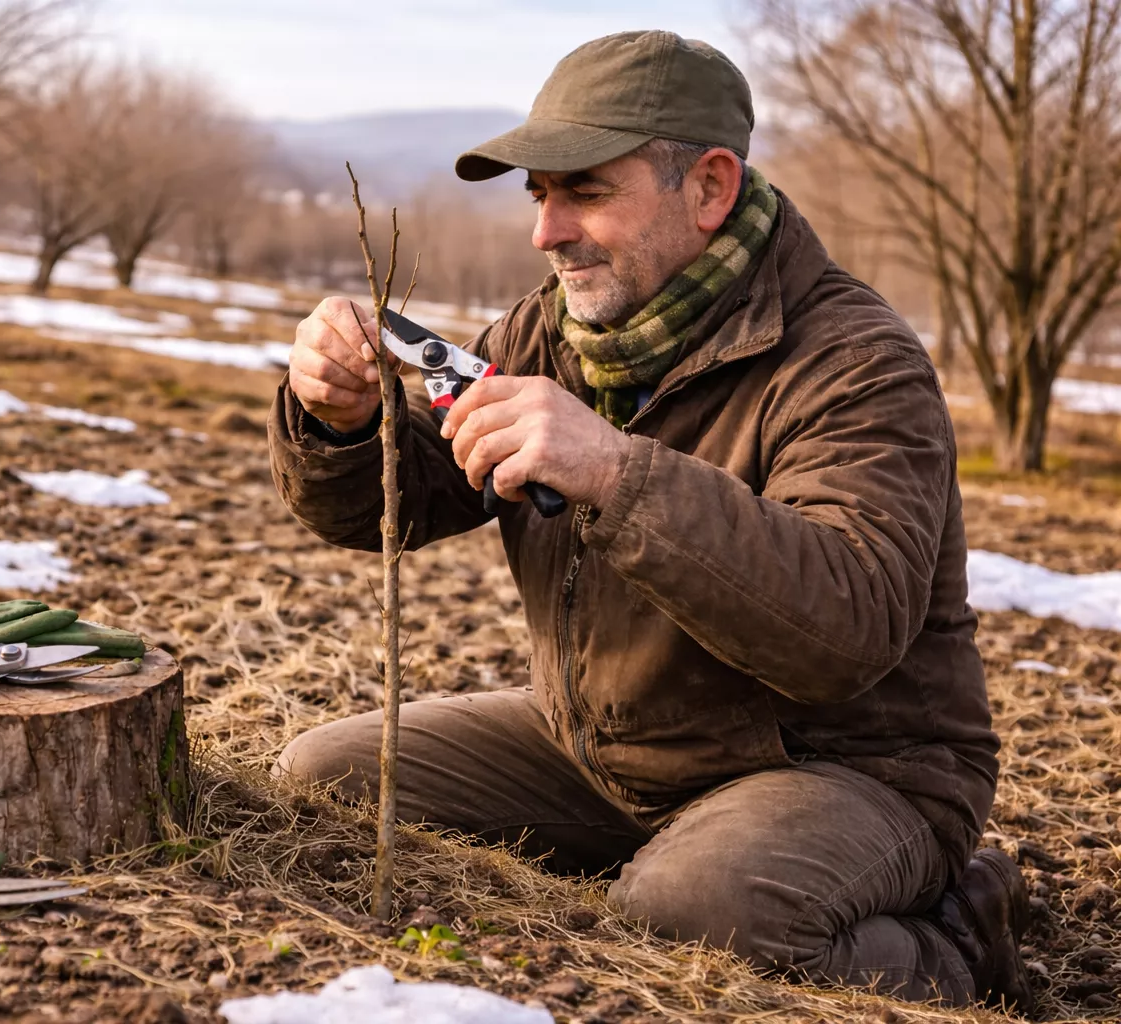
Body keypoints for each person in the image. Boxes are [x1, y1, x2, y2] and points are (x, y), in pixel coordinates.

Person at [266, 30, 1032, 1012]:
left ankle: (961, 936)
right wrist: (342, 421)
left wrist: (615, 473)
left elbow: (847, 627)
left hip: (845, 770)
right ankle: (681, 855)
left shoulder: (857, 362)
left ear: (709, 188)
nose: (548, 233)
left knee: (692, 916)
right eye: (539, 195)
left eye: (585, 192)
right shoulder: (551, 330)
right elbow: (405, 501)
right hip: (605, 750)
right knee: (321, 780)